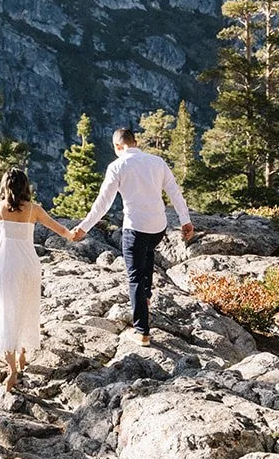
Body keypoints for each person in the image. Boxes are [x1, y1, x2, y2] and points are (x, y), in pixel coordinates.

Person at [69, 126, 194, 345]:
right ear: (135, 142)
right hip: (158, 228)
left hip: (135, 228)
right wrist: (185, 220)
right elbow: (174, 191)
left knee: (135, 277)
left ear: (117, 146)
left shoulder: (117, 166)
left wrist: (84, 227)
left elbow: (103, 203)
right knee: (148, 253)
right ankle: (146, 298)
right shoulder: (157, 162)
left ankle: (142, 331)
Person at [0, 167, 74, 391]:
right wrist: (72, 235)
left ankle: (12, 370)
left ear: (4, 186)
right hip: (30, 266)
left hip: (8, 267)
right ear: (25, 187)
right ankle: (23, 356)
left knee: (7, 312)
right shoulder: (34, 210)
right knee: (27, 309)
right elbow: (58, 228)